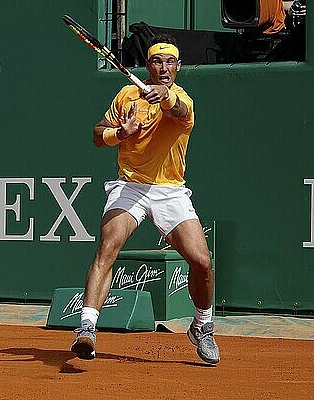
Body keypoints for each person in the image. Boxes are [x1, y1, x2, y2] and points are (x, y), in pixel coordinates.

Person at [70, 34, 219, 364]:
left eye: (170, 62)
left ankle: (202, 326)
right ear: (148, 65)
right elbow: (98, 135)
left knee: (202, 263)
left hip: (170, 191)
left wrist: (163, 97)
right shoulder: (126, 96)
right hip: (130, 186)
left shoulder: (184, 101)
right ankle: (87, 329)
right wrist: (119, 134)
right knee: (108, 245)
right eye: (157, 61)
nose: (164, 67)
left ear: (178, 67)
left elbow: (177, 110)